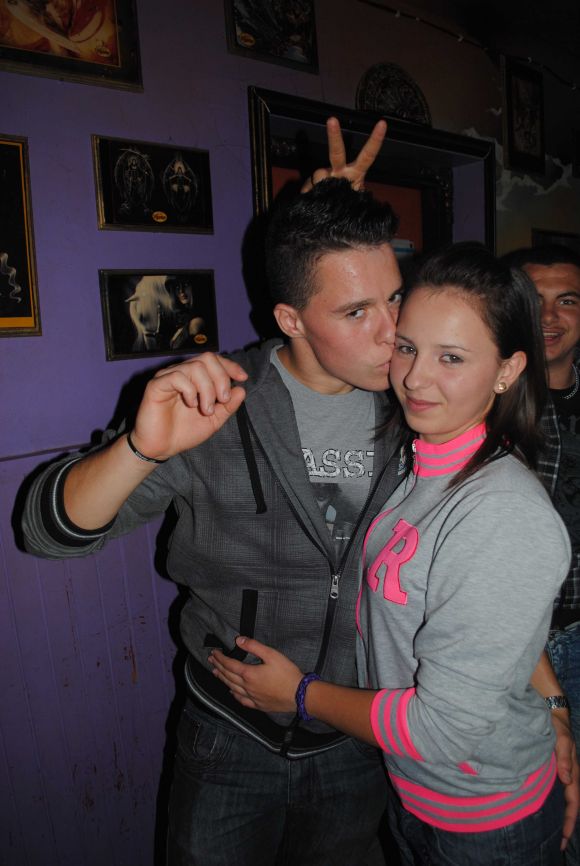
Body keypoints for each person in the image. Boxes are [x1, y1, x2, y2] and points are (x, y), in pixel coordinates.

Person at [21, 172, 406, 866]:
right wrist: (141, 449)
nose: (392, 332)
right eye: (357, 311)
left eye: (395, 298)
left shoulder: (421, 404)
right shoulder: (215, 400)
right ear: (291, 320)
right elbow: (48, 533)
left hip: (359, 733)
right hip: (232, 734)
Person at [209, 243, 573, 865]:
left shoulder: (502, 512)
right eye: (407, 347)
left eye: (451, 357)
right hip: (415, 798)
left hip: (486, 824)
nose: (414, 378)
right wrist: (554, 704)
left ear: (508, 370)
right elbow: (492, 626)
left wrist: (299, 694)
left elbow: (442, 730)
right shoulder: (420, 463)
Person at [505, 244, 580, 865]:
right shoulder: (488, 403)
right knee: (546, 808)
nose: (550, 316)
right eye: (535, 301)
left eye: (568, 301)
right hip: (524, 645)